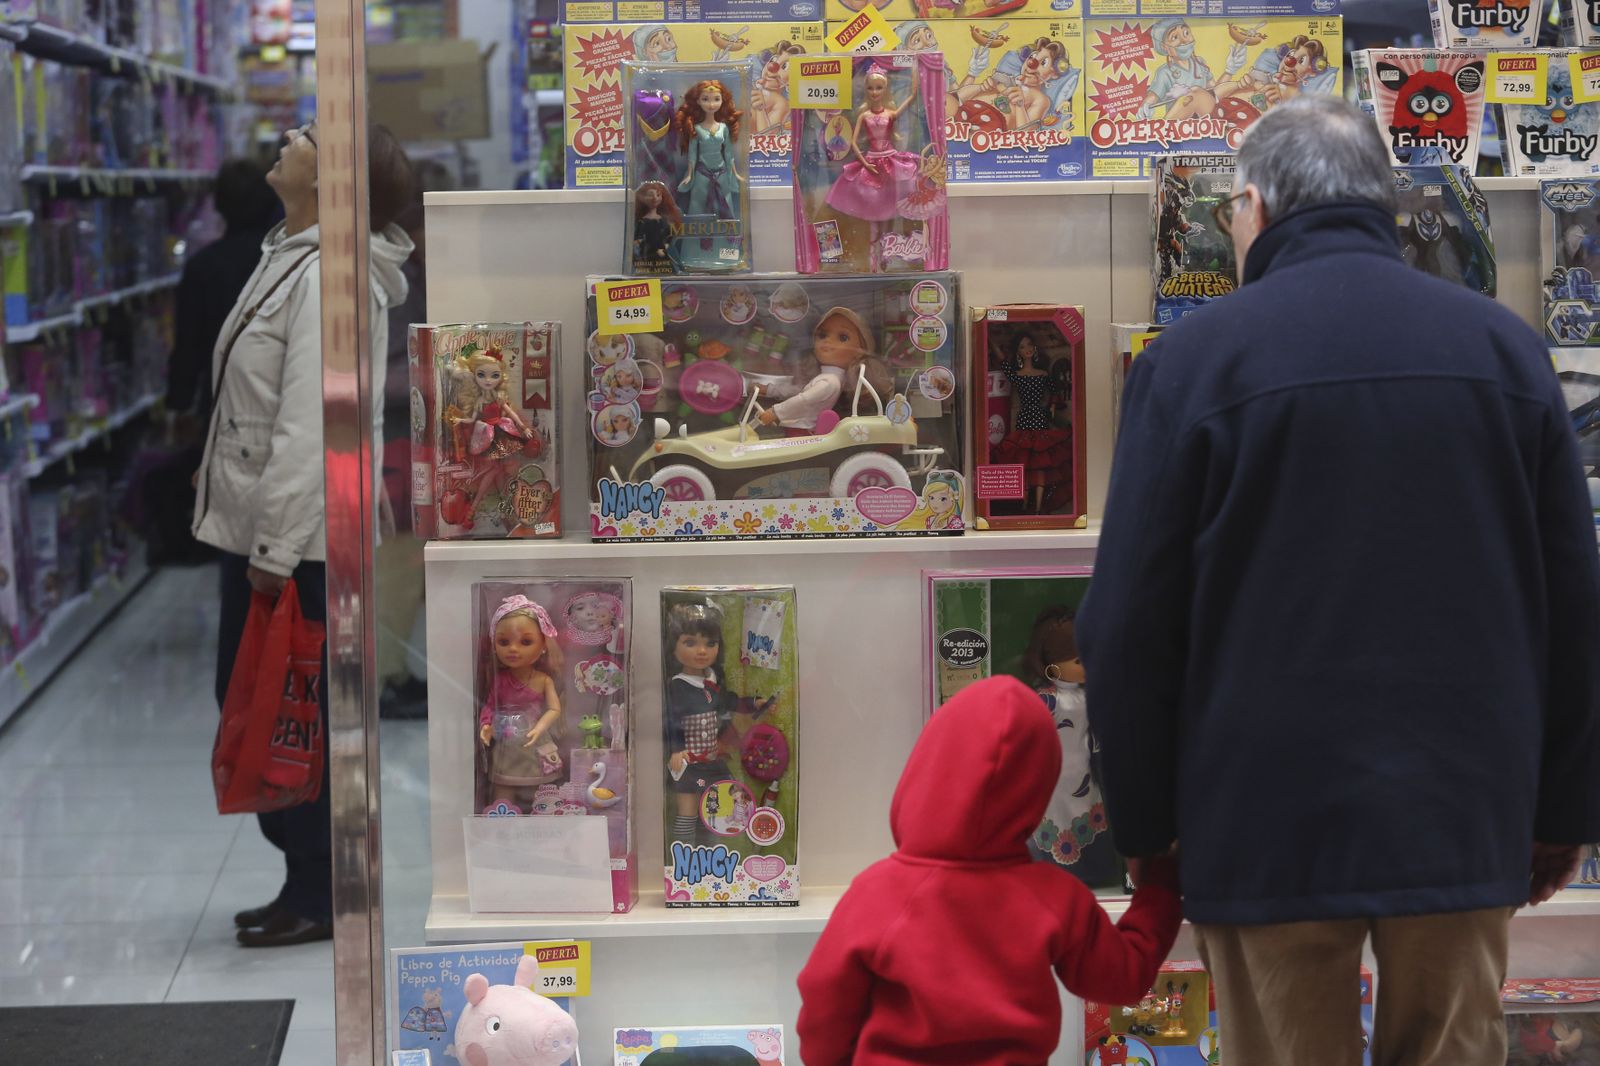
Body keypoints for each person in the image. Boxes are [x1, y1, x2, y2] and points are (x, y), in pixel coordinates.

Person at [1077, 95, 1600, 1065]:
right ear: (1384, 204)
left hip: (1259, 816)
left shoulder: (1190, 364)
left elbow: (1126, 622)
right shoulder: (1507, 354)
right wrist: (1563, 810)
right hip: (1461, 810)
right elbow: (1573, 606)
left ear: (1254, 207)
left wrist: (1148, 826)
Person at [193, 121, 415, 948]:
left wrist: (275, 555)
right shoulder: (287, 253)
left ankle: (320, 892)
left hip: (299, 546)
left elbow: (310, 428)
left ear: (335, 184)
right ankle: (306, 881)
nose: (288, 136)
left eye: (310, 135)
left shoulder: (325, 276)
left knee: (291, 712)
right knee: (267, 704)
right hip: (276, 532)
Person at [795, 676, 1182, 1066]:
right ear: (1038, 788)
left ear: (927, 765)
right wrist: (1161, 885)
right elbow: (1124, 975)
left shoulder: (876, 891)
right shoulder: (1055, 896)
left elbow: (825, 999)